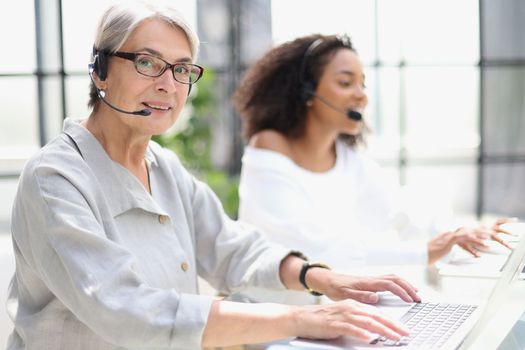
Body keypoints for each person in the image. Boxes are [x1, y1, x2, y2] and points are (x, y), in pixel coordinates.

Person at [6, 3, 423, 349]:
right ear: (100, 71)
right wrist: (301, 318)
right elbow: (125, 308)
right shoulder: (55, 178)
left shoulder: (163, 166)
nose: (169, 85)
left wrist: (323, 279)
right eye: (148, 62)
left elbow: (231, 248)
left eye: (183, 69)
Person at [232, 34, 514, 302]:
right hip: (276, 321)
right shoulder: (269, 147)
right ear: (307, 92)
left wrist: (465, 233)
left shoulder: (346, 156)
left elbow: (401, 210)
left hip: (329, 314)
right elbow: (316, 248)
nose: (361, 96)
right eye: (345, 83)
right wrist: (425, 251)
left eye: (363, 85)